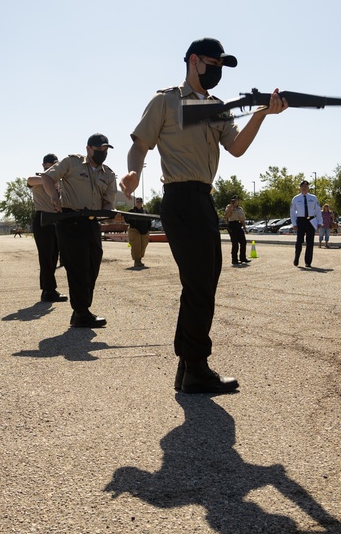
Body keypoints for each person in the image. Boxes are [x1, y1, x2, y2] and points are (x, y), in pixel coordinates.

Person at [120, 37, 287, 394]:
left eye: (222, 68)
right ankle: (195, 367)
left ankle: (187, 366)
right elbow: (140, 144)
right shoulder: (166, 100)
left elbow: (237, 148)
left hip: (204, 202)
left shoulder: (217, 107)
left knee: (204, 283)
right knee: (199, 285)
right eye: (213, 64)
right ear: (194, 61)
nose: (217, 72)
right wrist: (133, 173)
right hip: (180, 199)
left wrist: (261, 115)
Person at [41, 134, 118, 327]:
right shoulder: (72, 163)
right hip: (70, 222)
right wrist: (54, 197)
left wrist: (109, 212)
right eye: (99, 149)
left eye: (105, 150)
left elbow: (108, 202)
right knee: (78, 268)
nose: (102, 153)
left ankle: (82, 308)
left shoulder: (108, 174)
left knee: (93, 265)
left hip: (91, 224)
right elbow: (48, 178)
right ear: (88, 148)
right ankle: (81, 311)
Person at [26, 153, 67, 302]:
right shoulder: (38, 179)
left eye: (55, 164)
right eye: (50, 164)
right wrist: (48, 180)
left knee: (53, 256)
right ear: (44, 165)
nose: (53, 167)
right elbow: (29, 180)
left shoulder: (58, 180)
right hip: (43, 218)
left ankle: (48, 290)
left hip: (55, 219)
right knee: (46, 257)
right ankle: (49, 290)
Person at [290, 180, 322, 267]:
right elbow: (292, 212)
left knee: (310, 242)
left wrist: (320, 221)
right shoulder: (296, 199)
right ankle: (296, 258)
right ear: (300, 188)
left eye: (306, 186)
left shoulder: (313, 198)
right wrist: (294, 224)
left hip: (311, 221)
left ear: (308, 188)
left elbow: (318, 210)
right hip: (301, 221)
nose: (304, 188)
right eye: (303, 186)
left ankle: (308, 262)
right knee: (299, 241)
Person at [124, 196, 152, 269]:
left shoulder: (145, 212)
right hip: (135, 230)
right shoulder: (132, 211)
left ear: (142, 203)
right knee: (136, 246)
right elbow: (126, 219)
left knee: (143, 246)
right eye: (137, 202)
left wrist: (148, 229)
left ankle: (140, 260)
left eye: (140, 202)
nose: (139, 203)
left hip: (144, 231)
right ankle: (136, 261)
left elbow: (149, 221)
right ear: (136, 203)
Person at [224, 196, 249, 265]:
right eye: (234, 200)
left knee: (243, 242)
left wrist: (245, 229)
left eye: (237, 200)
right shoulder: (229, 207)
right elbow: (226, 216)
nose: (236, 201)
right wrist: (231, 207)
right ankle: (234, 260)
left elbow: (242, 220)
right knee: (235, 243)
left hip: (238, 225)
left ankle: (243, 258)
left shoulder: (240, 208)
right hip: (232, 225)